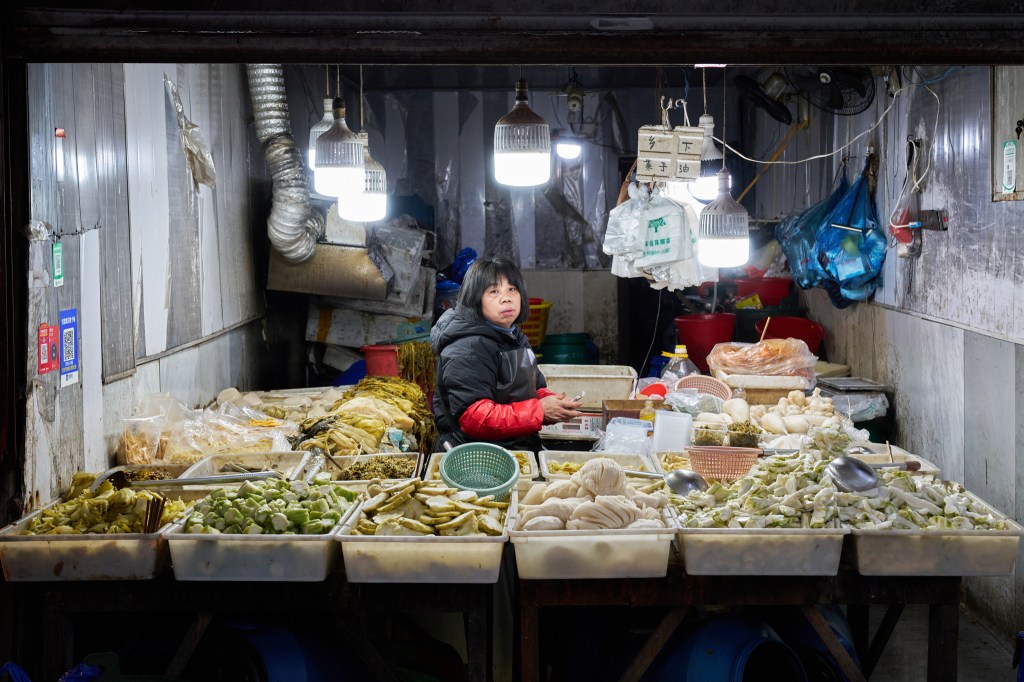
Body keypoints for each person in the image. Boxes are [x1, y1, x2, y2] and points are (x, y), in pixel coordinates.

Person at [430, 255, 582, 451]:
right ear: (476, 300)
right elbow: (475, 418)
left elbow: (533, 388)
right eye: (494, 291)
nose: (506, 298)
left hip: (517, 447)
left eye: (512, 289)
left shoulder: (513, 335)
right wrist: (540, 411)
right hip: (475, 456)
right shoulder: (466, 348)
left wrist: (554, 402)